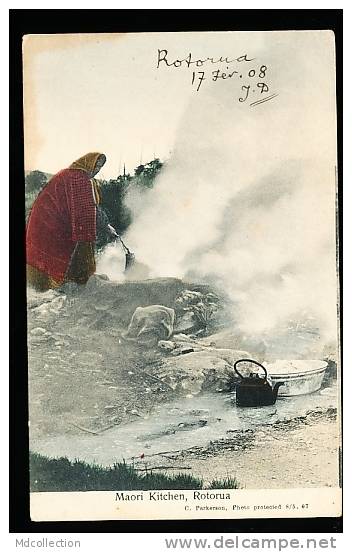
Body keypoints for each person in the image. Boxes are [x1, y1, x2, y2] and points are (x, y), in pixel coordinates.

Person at [26, 152, 116, 291]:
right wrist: (93, 233)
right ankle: (74, 283)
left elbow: (92, 208)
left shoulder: (81, 178)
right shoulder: (77, 178)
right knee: (56, 258)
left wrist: (107, 225)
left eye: (100, 167)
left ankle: (65, 283)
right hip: (51, 223)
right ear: (88, 162)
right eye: (96, 165)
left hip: (54, 222)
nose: (97, 169)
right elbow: (85, 212)